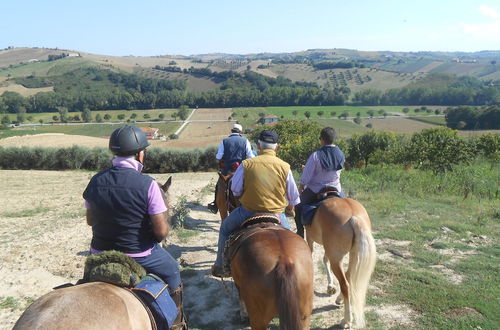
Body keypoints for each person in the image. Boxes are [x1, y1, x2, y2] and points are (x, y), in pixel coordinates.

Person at [83, 125, 187, 329]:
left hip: (99, 253)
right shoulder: (148, 184)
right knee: (173, 270)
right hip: (141, 254)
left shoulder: (95, 181)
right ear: (140, 154)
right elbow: (161, 233)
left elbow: (90, 221)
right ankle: (177, 323)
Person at [211, 130, 300, 277]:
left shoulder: (247, 164)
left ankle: (220, 266)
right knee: (292, 239)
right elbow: (294, 197)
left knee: (225, 228)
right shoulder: (285, 166)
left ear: (259, 146)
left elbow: (235, 189)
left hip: (248, 210)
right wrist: (290, 206)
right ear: (276, 148)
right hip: (276, 213)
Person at [294, 127, 345, 238]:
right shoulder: (341, 154)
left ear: (321, 139)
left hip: (316, 189)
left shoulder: (316, 155)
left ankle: (300, 232)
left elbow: (306, 176)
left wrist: (301, 186)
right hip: (336, 188)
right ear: (333, 139)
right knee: (346, 204)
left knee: (297, 205)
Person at [207, 123, 255, 214]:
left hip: (227, 171)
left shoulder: (224, 141)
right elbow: (250, 156)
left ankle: (215, 204)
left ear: (232, 131)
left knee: (219, 185)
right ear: (240, 132)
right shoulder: (245, 141)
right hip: (242, 171)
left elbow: (218, 156)